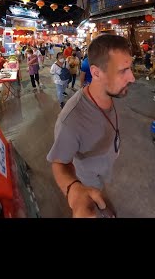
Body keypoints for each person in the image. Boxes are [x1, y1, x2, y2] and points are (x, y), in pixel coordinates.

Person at [47, 34, 135, 218]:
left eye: (130, 68)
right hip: (87, 176)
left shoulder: (108, 92)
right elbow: (59, 163)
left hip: (104, 166)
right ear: (96, 73)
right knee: (96, 197)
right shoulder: (71, 120)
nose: (132, 78)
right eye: (123, 71)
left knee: (102, 191)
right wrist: (73, 190)